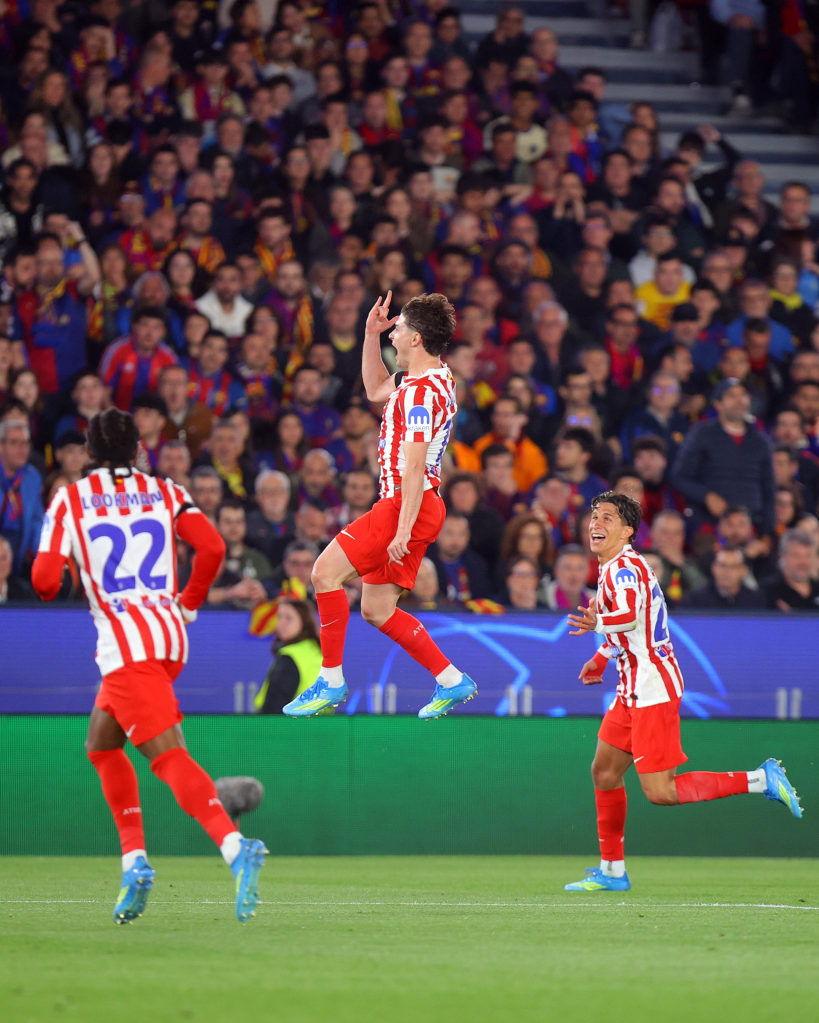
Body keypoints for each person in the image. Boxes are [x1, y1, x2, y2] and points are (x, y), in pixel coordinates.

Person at [31, 407, 266, 924]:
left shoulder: (69, 499)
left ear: (88, 452)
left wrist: (68, 564)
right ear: (139, 449)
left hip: (125, 646)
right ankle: (134, 862)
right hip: (169, 636)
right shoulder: (165, 491)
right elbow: (212, 547)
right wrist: (188, 603)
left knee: (167, 757)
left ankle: (235, 847)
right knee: (102, 746)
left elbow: (44, 582)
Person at [563, 490, 802, 893]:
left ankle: (761, 779)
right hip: (631, 687)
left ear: (628, 531)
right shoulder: (614, 566)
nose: (596, 524)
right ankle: (612, 871)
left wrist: (598, 624)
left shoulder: (623, 569)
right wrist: (602, 656)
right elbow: (634, 626)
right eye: (594, 516)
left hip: (652, 688)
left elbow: (628, 615)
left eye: (607, 518)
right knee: (604, 772)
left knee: (661, 792)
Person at [283, 291, 477, 720]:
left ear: (417, 339)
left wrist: (403, 528)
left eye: (399, 328)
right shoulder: (434, 378)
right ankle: (450, 679)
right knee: (376, 609)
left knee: (324, 574)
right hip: (420, 505)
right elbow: (374, 389)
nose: (394, 334)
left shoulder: (419, 395)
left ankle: (330, 679)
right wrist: (370, 335)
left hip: (407, 504)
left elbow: (414, 468)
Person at [255, 599, 322, 714]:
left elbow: (276, 705)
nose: (281, 624)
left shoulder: (290, 656)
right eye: (279, 617)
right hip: (321, 722)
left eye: (288, 618)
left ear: (304, 621)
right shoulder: (317, 652)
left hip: (291, 723)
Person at [0, 419, 44, 577]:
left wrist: (42, 555)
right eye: (14, 442)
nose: (22, 449)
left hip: (18, 554)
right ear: (1, 446)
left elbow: (36, 520)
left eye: (25, 443)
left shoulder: (32, 476)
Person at [683, 548, 765, 609]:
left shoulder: (755, 600)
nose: (727, 571)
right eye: (722, 565)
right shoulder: (696, 599)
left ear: (743, 571)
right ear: (713, 568)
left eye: (733, 567)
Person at [764, 528, 819, 611]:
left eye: (808, 555)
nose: (803, 562)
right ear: (783, 557)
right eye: (796, 556)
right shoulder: (769, 592)